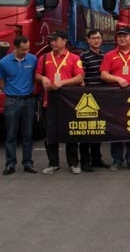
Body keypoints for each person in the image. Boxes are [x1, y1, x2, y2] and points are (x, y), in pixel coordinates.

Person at [36, 30, 85, 175]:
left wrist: (63, 82)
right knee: (50, 134)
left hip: (68, 103)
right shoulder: (44, 58)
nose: (52, 43)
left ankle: (74, 163)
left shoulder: (74, 58)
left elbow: (79, 77)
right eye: (51, 40)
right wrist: (43, 78)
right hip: (48, 102)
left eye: (55, 40)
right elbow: (37, 74)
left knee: (71, 133)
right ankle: (53, 164)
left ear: (64, 41)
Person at [100, 26, 130, 170]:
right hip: (116, 97)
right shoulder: (109, 55)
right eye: (119, 36)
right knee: (116, 129)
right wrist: (118, 79)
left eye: (125, 36)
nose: (122, 39)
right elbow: (104, 75)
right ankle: (117, 160)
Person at [0, 36, 38, 175]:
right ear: (16, 48)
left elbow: (34, 77)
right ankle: (10, 163)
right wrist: (9, 92)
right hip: (12, 101)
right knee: (11, 134)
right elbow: (0, 81)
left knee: (28, 134)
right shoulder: (4, 62)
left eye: (28, 49)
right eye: (23, 49)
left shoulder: (32, 59)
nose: (26, 52)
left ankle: (28, 162)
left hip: (29, 100)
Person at [78, 29, 108, 171]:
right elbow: (81, 76)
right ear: (88, 40)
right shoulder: (83, 56)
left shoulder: (105, 56)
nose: (96, 40)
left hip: (102, 96)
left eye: (98, 38)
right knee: (86, 130)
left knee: (99, 129)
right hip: (88, 97)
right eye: (93, 38)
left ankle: (97, 158)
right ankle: (85, 161)